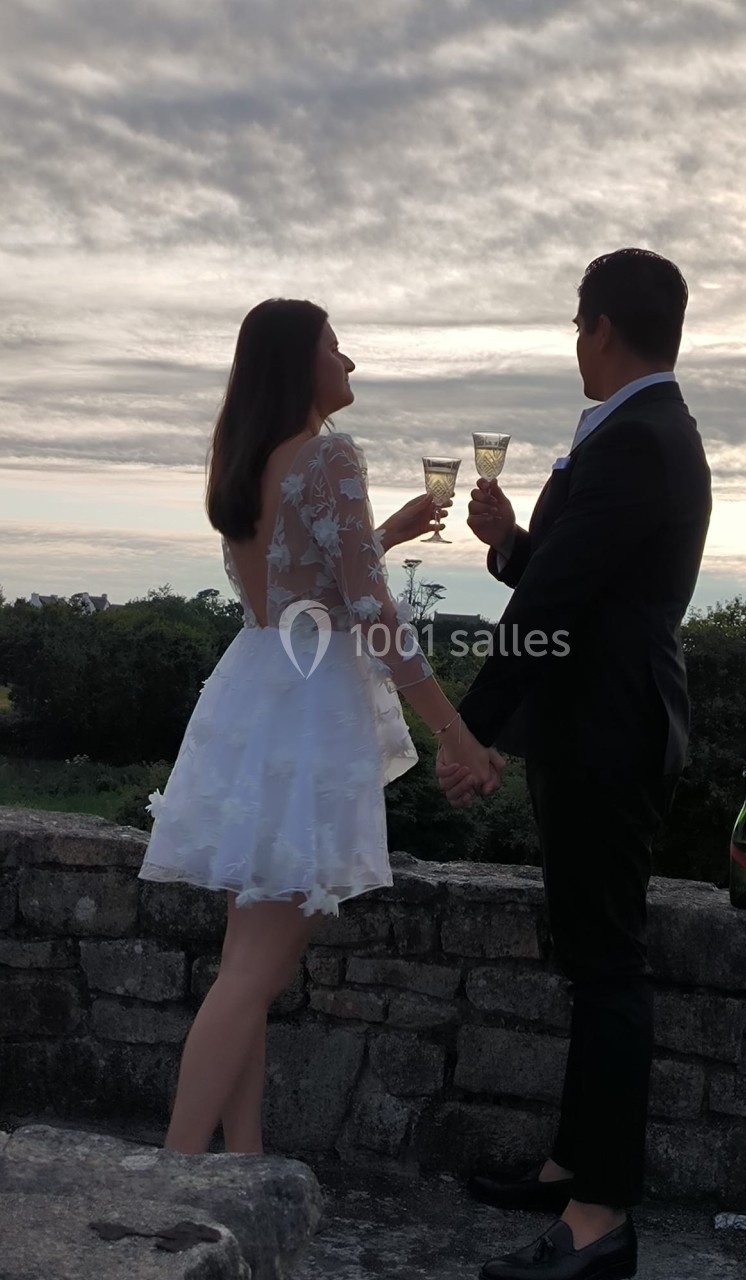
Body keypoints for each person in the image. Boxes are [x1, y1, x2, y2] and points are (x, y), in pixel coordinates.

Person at [138, 298, 502, 1155]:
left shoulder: (248, 459)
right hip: (307, 712)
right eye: (337, 348)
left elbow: (306, 586)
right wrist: (454, 731)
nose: (350, 363)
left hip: (256, 693)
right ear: (302, 362)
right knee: (251, 974)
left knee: (245, 970)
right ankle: (173, 1178)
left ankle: (243, 1162)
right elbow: (368, 609)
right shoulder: (332, 454)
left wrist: (385, 532)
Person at [436, 250, 712, 1280]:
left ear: (598, 327)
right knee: (591, 956)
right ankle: (569, 1164)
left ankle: (598, 1221)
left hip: (608, 732)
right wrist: (509, 543)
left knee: (608, 969)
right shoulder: (635, 433)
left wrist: (467, 734)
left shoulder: (639, 437)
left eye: (575, 325)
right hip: (591, 728)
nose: (574, 342)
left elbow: (555, 610)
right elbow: (562, 577)